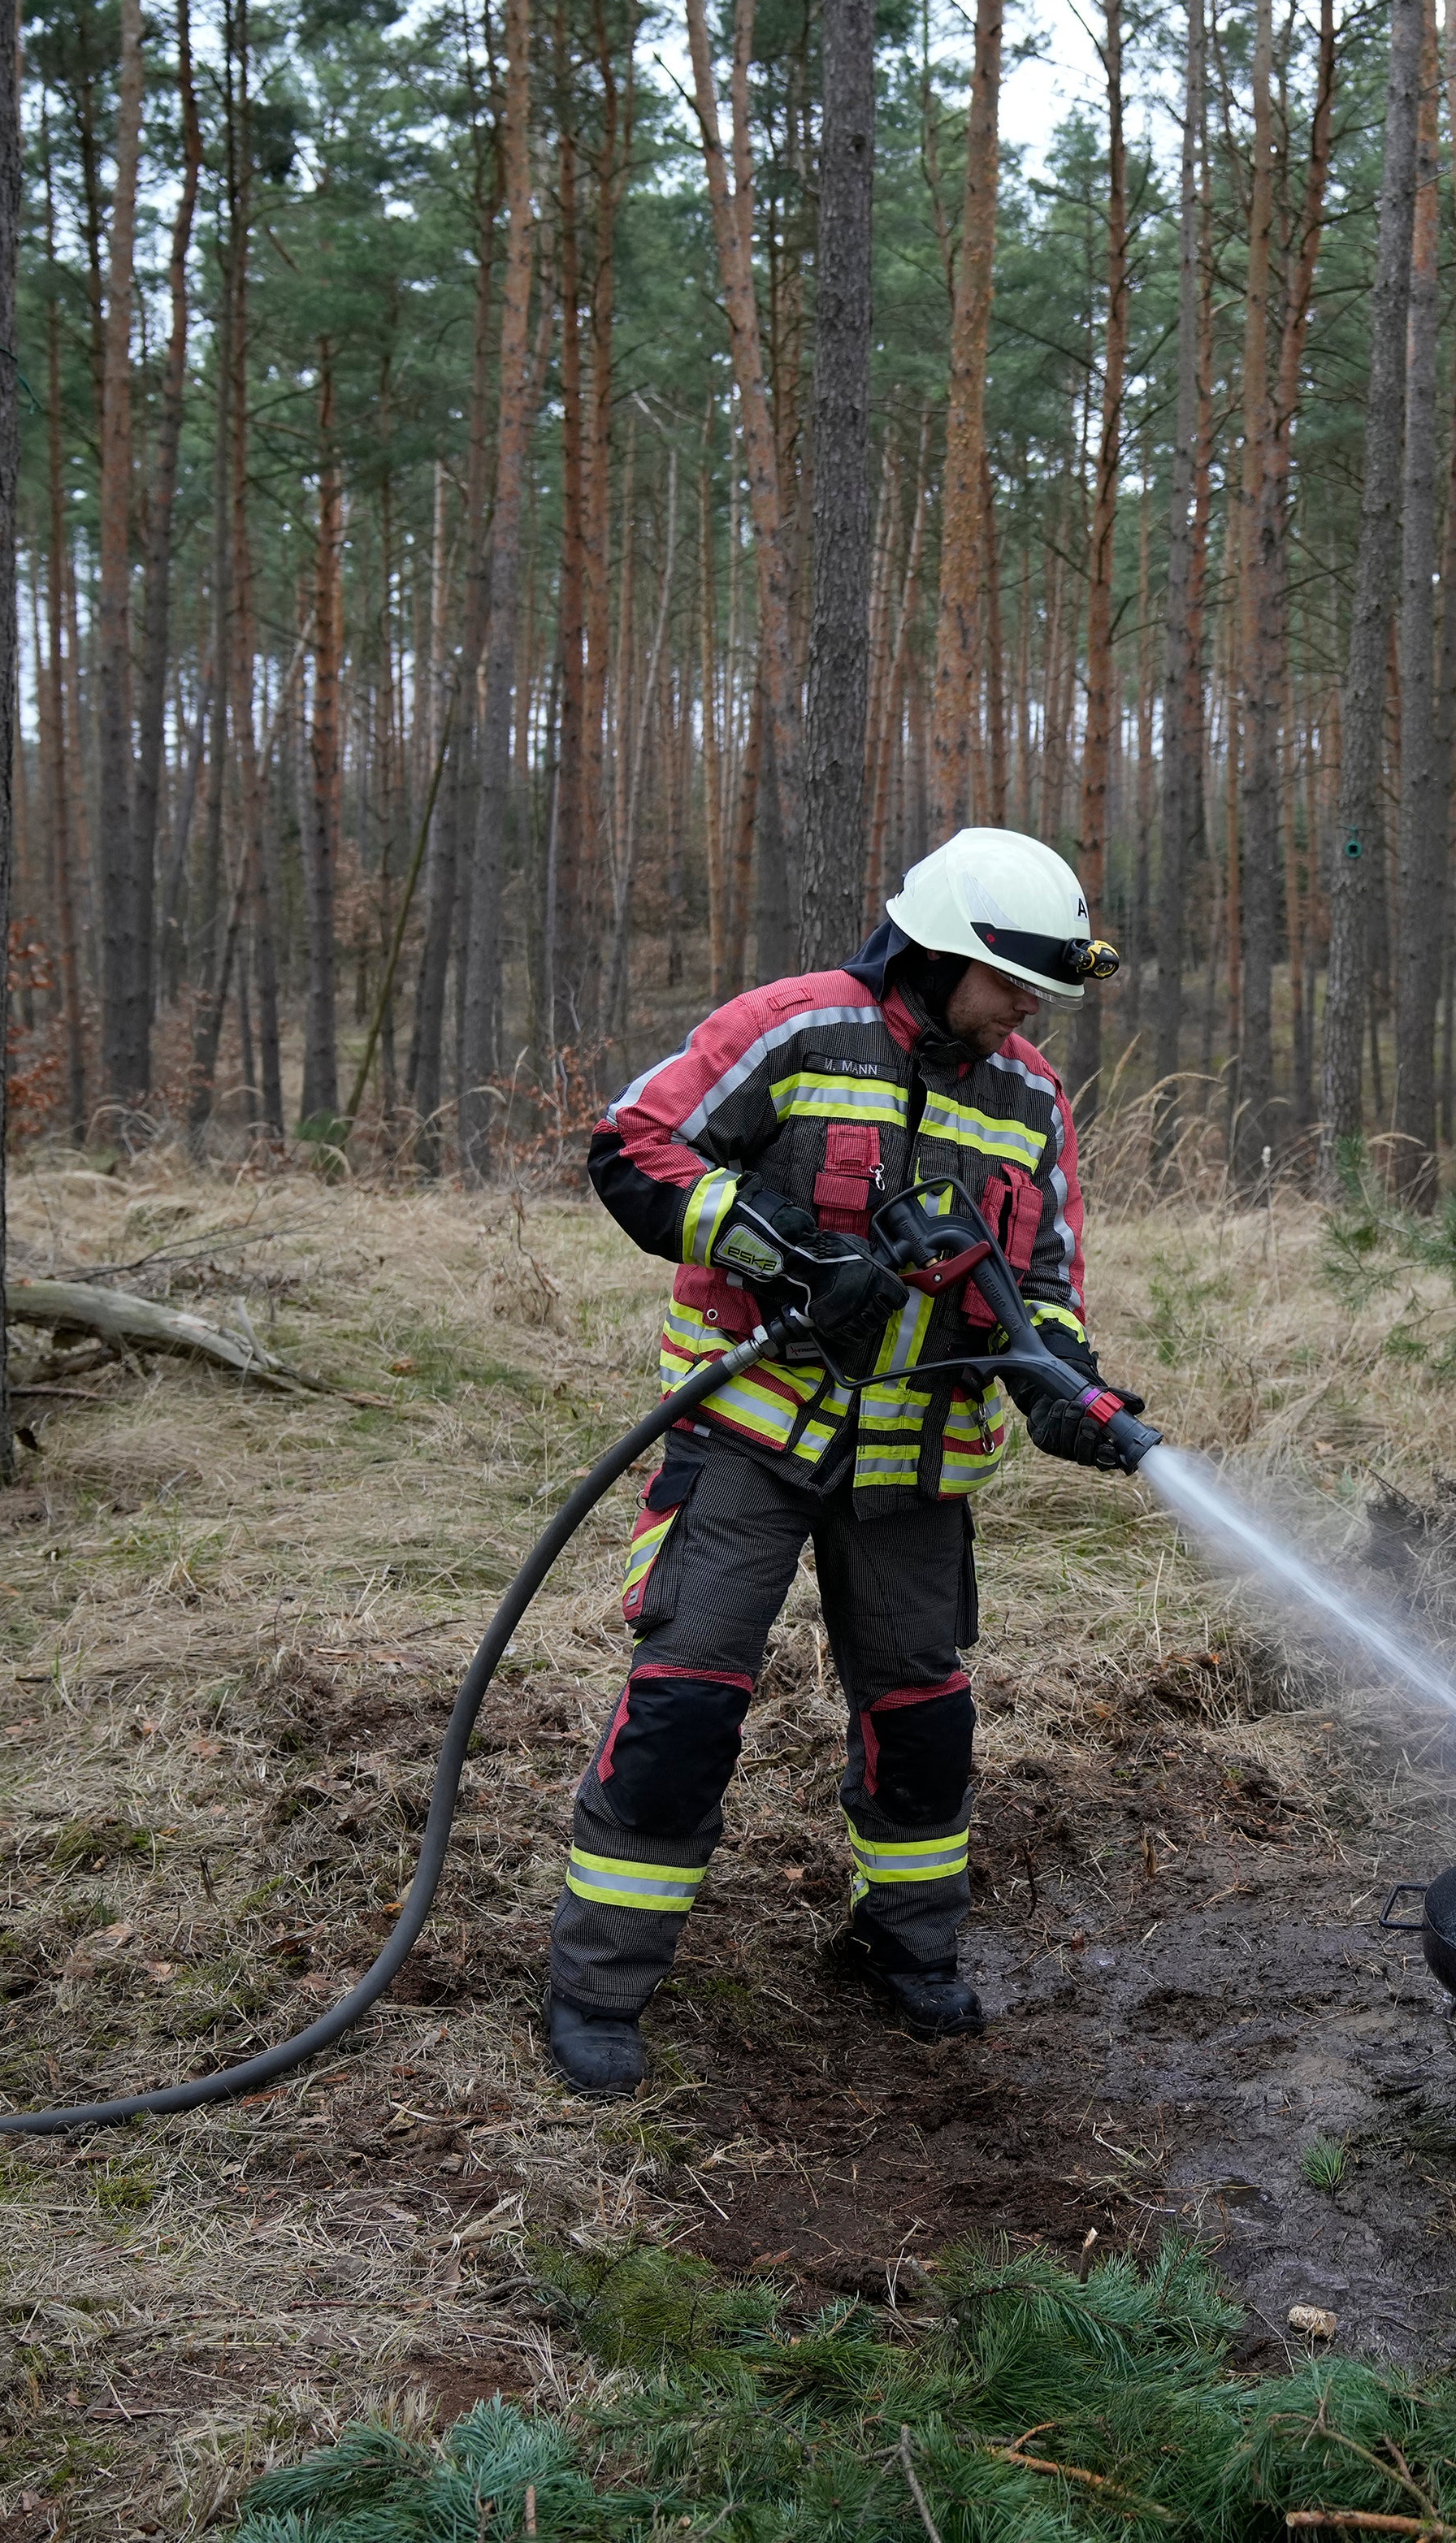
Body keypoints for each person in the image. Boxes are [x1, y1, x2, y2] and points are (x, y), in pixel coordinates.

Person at [544, 826, 1144, 2095]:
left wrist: (1070, 1394)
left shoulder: (1029, 1097)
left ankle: (904, 1945)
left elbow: (1047, 1284)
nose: (1026, 1012)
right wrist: (784, 1252)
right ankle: (598, 1986)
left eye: (1039, 991)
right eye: (1009, 984)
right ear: (937, 955)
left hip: (919, 1460)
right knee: (687, 1703)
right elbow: (634, 1147)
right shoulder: (797, 1030)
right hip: (752, 1427)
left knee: (923, 1717)